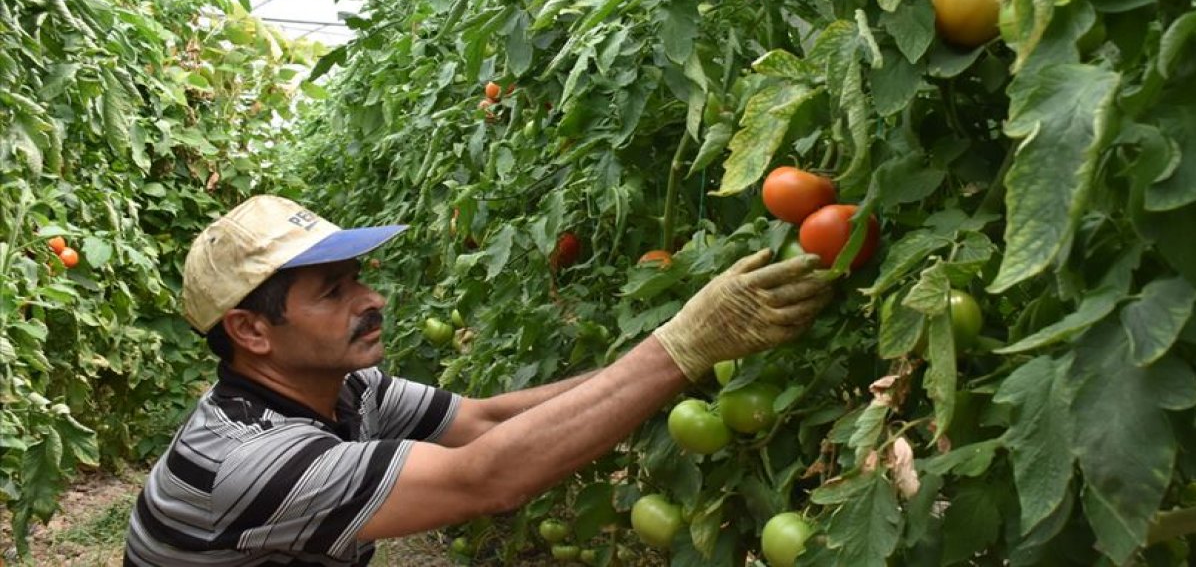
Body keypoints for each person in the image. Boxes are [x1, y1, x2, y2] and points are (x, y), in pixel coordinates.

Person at [124, 195, 832, 566]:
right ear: (251, 331)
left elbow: (488, 422)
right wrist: (680, 347)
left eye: (359, 279)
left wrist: (674, 354)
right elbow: (484, 479)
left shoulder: (347, 390)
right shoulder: (246, 461)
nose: (372, 299)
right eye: (334, 291)